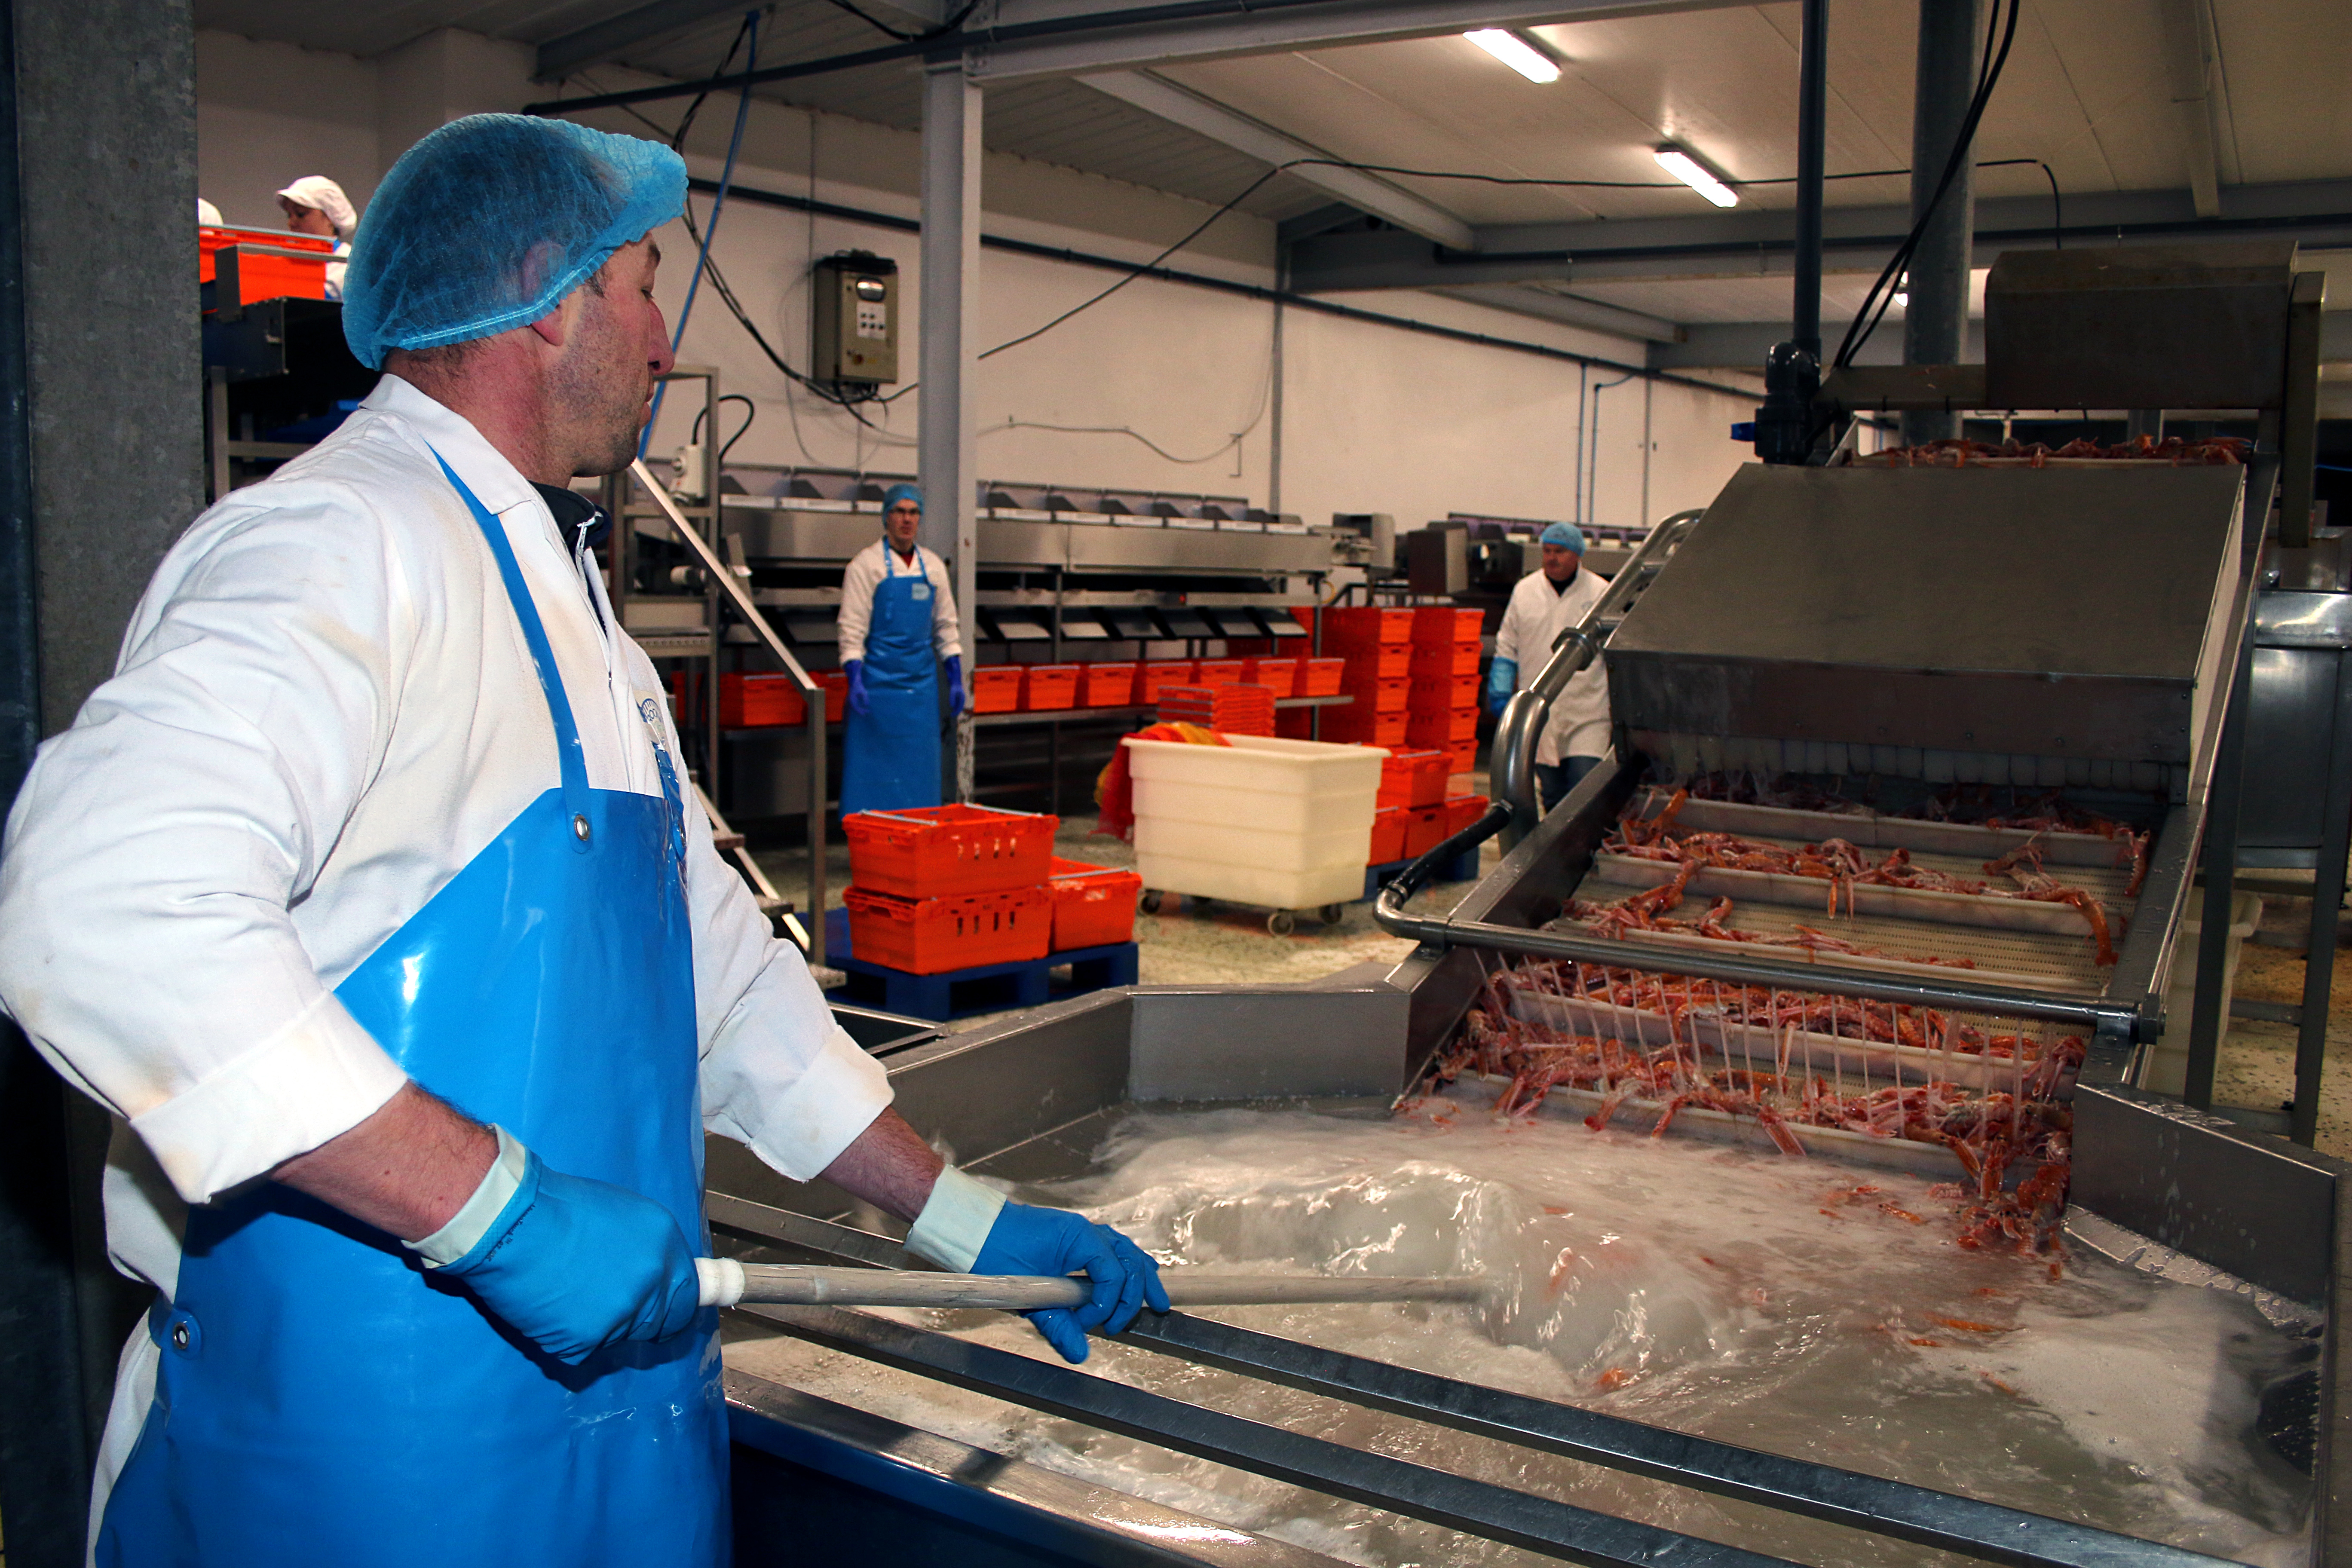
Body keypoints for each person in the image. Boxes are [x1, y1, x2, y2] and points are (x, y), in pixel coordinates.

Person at [0, 114, 1161, 1568]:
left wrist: (955, 1215)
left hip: (623, 1442)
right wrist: (493, 1208)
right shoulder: (338, 545)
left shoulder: (572, 602)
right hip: (359, 1468)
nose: (665, 338)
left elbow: (717, 974)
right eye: (646, 284)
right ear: (553, 298)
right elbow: (102, 904)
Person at [836, 482, 965, 815]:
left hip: (921, 692)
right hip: (876, 690)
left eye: (913, 512)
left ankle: (918, 834)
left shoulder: (934, 568)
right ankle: (871, 835)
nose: (906, 520)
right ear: (886, 517)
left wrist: (955, 679)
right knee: (873, 772)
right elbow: (851, 629)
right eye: (899, 512)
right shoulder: (865, 567)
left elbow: (946, 627)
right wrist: (856, 681)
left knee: (919, 772)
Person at [1488, 520, 1610, 813]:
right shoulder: (1525, 591)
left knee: (1584, 789)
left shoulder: (1600, 592)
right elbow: (1507, 644)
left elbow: (1611, 651)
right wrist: (1501, 689)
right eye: (1547, 551)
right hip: (1540, 710)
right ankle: (1558, 858)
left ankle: (1585, 856)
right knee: (1552, 793)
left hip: (1587, 709)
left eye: (1560, 552)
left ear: (1578, 555)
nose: (1552, 558)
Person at [275, 175, 358, 298]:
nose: (291, 223)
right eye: (289, 215)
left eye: (301, 214)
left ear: (330, 218)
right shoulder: (283, 265)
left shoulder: (350, 266)